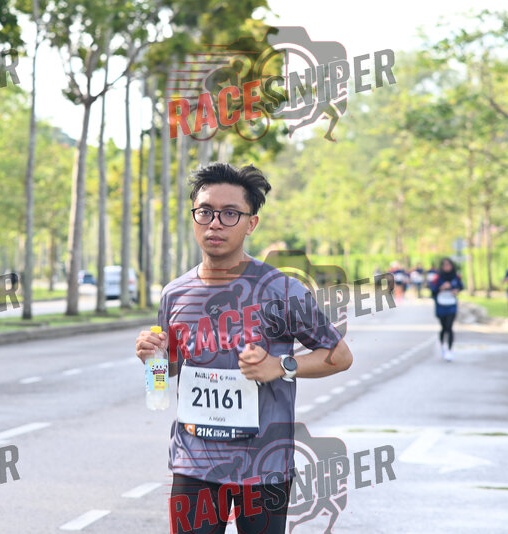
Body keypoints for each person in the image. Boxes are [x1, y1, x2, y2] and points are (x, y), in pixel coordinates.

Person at [134, 162, 353, 534]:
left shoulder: (281, 290)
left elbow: (339, 356)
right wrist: (152, 356)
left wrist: (280, 366)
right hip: (194, 462)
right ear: (193, 216)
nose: (215, 223)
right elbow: (172, 369)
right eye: (205, 211)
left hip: (263, 466)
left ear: (251, 223)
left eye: (230, 214)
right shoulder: (176, 293)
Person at [429, 257, 463, 361]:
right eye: (444, 265)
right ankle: (442, 345)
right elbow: (432, 290)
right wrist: (441, 288)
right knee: (444, 327)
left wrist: (456, 290)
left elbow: (461, 287)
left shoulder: (456, 277)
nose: (446, 267)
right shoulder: (437, 277)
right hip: (441, 305)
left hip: (451, 304)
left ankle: (450, 349)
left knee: (449, 327)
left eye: (448, 265)